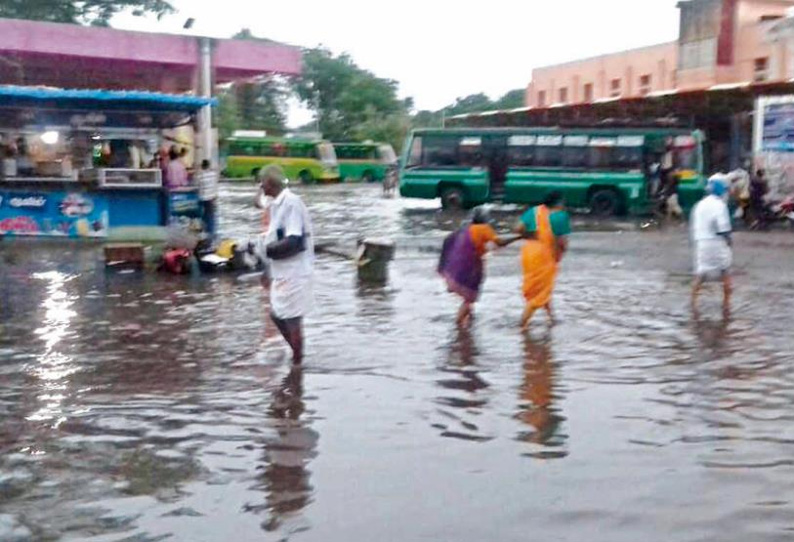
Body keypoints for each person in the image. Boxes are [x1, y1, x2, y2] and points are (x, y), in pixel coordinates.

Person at [259, 165, 314, 364]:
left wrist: (266, 250)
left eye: (262, 182)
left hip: (295, 272)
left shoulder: (291, 203)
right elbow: (275, 236)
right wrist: (268, 270)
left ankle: (297, 363)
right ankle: (296, 356)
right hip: (282, 271)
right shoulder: (276, 205)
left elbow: (294, 241)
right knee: (277, 315)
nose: (260, 186)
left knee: (292, 320)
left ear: (271, 183)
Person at [437, 206, 519, 327]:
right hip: (470, 265)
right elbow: (499, 242)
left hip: (458, 265)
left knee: (468, 294)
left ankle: (470, 318)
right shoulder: (484, 229)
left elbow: (448, 240)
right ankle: (458, 325)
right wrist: (519, 237)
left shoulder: (466, 229)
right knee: (469, 298)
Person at [515, 191, 571, 331]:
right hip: (544, 255)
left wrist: (533, 236)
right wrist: (560, 253)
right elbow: (561, 242)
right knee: (541, 292)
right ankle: (522, 325)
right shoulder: (561, 216)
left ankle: (551, 317)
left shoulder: (534, 211)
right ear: (559, 203)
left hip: (528, 253)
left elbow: (518, 229)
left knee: (540, 287)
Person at [690, 175, 733, 317]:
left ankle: (693, 303)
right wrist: (729, 242)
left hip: (701, 243)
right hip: (716, 243)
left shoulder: (699, 205)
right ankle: (726, 305)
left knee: (700, 274)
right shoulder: (720, 205)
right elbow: (723, 229)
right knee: (725, 273)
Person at [196, 159, 219, 237]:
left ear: (202, 166)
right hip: (211, 198)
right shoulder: (213, 175)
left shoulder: (200, 176)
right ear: (209, 166)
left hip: (202, 198)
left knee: (204, 216)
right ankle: (211, 233)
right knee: (211, 216)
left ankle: (204, 230)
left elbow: (198, 186)